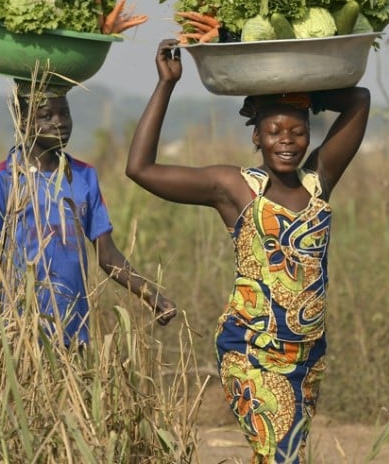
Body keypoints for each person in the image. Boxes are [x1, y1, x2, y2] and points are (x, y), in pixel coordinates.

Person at [125, 39, 371, 463]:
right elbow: (140, 169)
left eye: (297, 130)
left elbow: (359, 100)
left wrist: (297, 89)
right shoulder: (236, 188)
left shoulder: (319, 181)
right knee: (282, 458)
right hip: (252, 351)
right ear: (256, 135)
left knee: (278, 455)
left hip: (307, 354)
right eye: (275, 131)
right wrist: (166, 84)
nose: (287, 141)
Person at [0, 84, 177, 348]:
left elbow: (108, 255)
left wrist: (151, 296)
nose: (60, 123)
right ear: (22, 122)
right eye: (46, 116)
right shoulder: (3, 178)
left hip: (73, 329)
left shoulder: (83, 176)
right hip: (16, 330)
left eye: (64, 114)